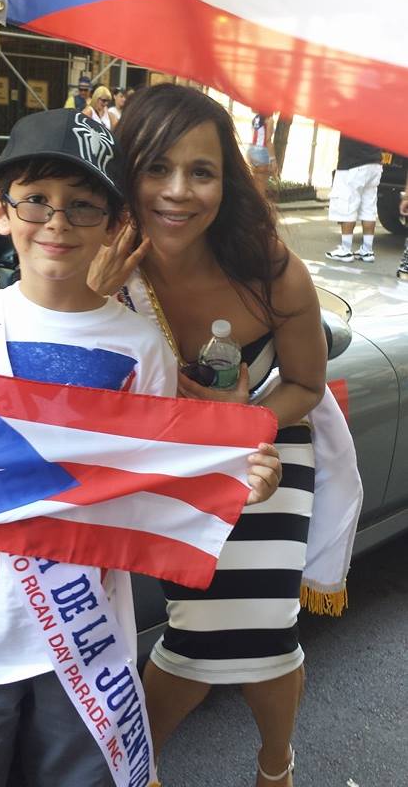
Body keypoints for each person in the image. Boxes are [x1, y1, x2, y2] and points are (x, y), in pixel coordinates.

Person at [0, 107, 281, 787]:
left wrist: (233, 480)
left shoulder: (140, 345)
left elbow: (151, 477)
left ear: (116, 223)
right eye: (36, 200)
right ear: (0, 211)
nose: (57, 222)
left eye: (83, 206)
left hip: (85, 634)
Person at [89, 83, 329, 787]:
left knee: (267, 630)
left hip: (267, 460)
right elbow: (63, 390)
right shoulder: (97, 262)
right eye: (156, 168)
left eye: (202, 171)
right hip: (168, 471)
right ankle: (139, 768)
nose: (178, 191)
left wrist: (238, 421)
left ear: (228, 180)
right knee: (193, 635)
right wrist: (93, 300)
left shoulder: (269, 265)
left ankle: (274, 765)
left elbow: (306, 387)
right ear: (125, 170)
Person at [326, 134, 383, 263]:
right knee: (369, 208)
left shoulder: (352, 114)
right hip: (375, 163)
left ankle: (345, 250)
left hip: (352, 164)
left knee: (347, 205)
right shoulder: (378, 113)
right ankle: (367, 250)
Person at [248, 113, 277, 198]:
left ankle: (252, 208)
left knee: (255, 185)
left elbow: (253, 136)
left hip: (252, 151)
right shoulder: (269, 119)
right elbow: (268, 140)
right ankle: (258, 209)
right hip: (262, 152)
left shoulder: (256, 118)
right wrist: (273, 159)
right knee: (261, 189)